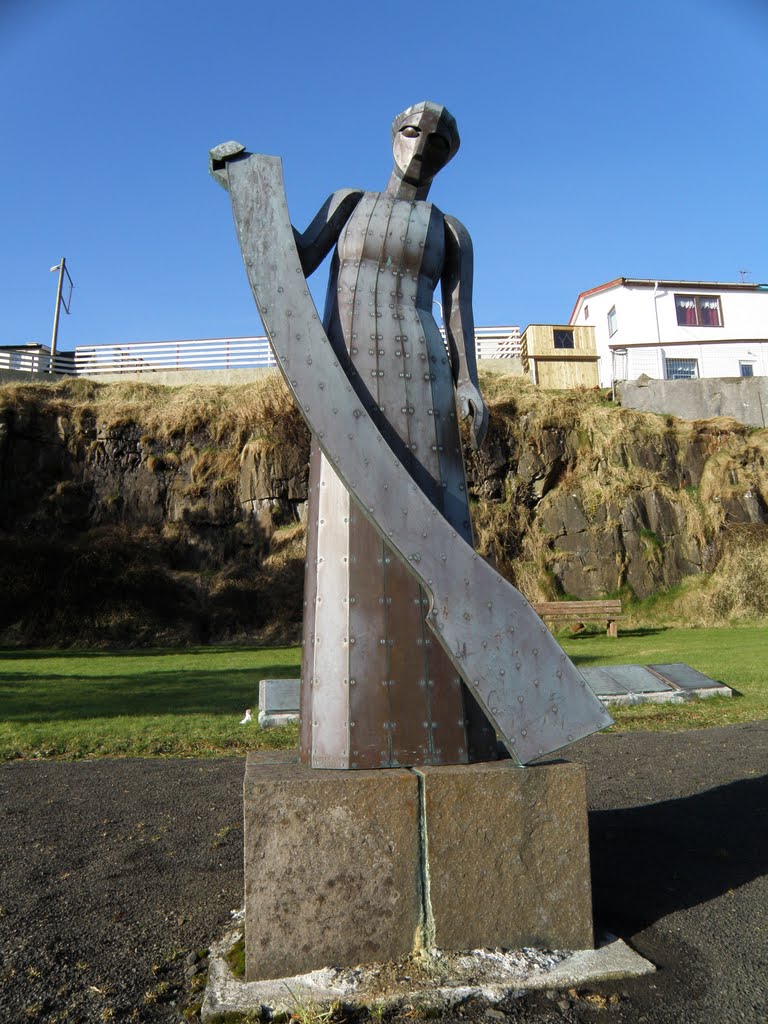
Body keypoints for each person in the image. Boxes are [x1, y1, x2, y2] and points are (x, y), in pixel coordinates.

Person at [292, 102, 498, 768]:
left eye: (439, 141)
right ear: (392, 136)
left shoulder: (451, 230)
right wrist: (248, 194)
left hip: (421, 375)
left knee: (438, 517)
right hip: (346, 378)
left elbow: (458, 313)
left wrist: (469, 382)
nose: (423, 146)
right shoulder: (347, 204)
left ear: (448, 155)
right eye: (413, 132)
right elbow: (292, 260)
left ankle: (462, 716)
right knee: (348, 526)